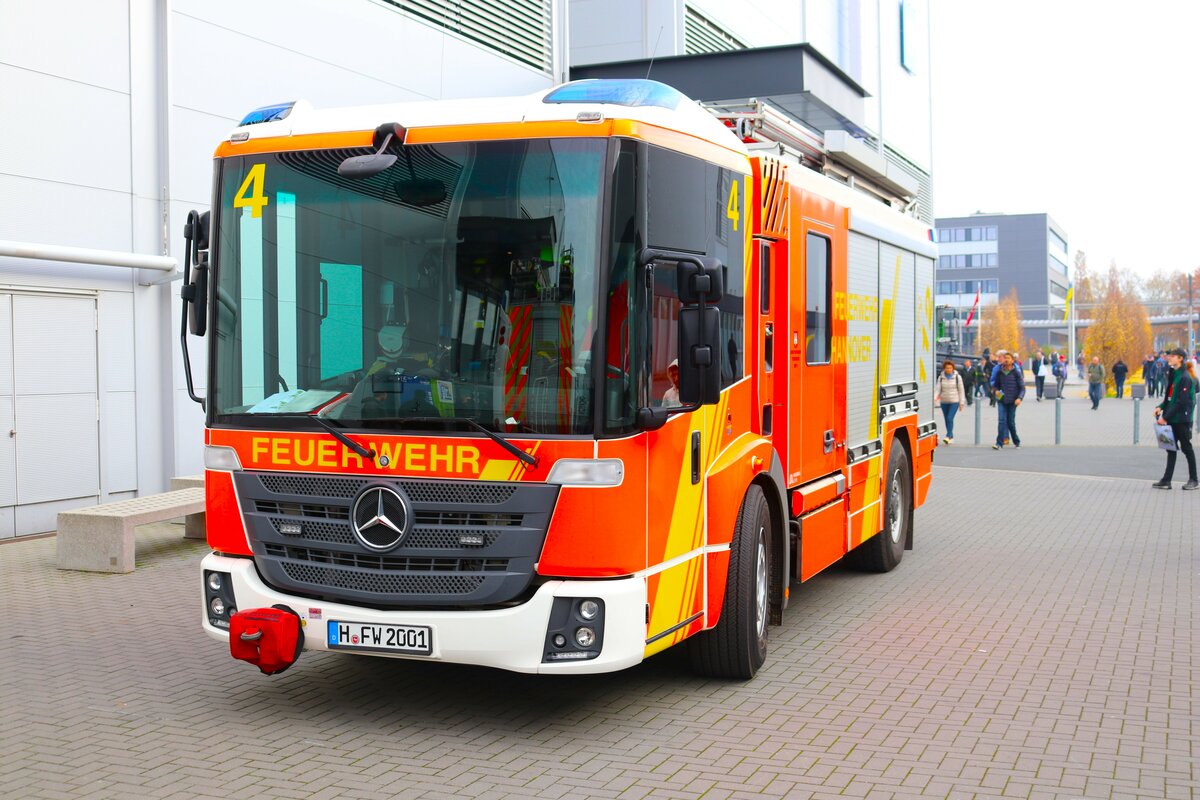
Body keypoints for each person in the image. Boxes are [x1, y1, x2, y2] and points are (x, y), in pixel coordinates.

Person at [1151, 348, 1198, 490]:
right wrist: (1160, 407)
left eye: (1173, 356)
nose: (1169, 358)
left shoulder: (1185, 377)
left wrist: (1165, 418)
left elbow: (1180, 402)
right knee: (1170, 449)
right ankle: (1166, 480)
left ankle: (1194, 480)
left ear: (1180, 359)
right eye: (1169, 356)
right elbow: (1170, 398)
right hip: (1172, 418)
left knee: (1186, 448)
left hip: (1182, 420)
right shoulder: (1173, 374)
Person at [991, 351, 1024, 449]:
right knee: (1001, 421)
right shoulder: (1000, 372)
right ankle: (999, 443)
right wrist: (996, 391)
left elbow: (1022, 388)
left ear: (1012, 360)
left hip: (1013, 400)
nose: (1006, 360)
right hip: (1002, 400)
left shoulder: (1016, 373)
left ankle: (1016, 441)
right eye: (1005, 358)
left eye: (1008, 358)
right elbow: (995, 385)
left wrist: (1019, 398)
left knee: (1010, 422)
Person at [936, 360, 966, 444]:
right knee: (946, 419)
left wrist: (962, 402)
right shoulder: (941, 377)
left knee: (950, 418)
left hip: (954, 401)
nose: (948, 369)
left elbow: (961, 390)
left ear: (953, 368)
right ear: (944, 368)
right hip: (944, 401)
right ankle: (951, 436)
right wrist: (935, 398)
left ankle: (948, 435)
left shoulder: (957, 377)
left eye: (950, 368)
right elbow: (938, 389)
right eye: (947, 368)